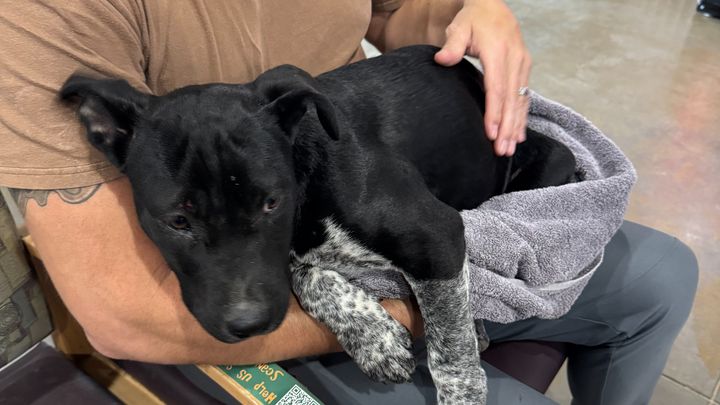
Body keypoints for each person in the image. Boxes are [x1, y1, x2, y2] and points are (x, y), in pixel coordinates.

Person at [0, 1, 697, 404]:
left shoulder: (320, 145)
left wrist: (472, 10)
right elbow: (122, 316)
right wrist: (410, 319)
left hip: (371, 190)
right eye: (180, 218)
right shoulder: (42, 20)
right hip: (219, 331)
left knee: (666, 276)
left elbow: (398, 14)